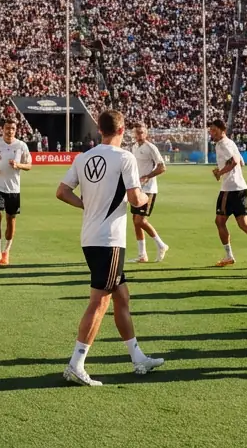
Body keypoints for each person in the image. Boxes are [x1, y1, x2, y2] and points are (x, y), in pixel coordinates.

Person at [54, 109, 164, 386]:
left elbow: (62, 192)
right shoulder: (125, 157)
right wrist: (145, 198)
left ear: (100, 130)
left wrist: (86, 205)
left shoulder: (83, 157)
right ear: (122, 130)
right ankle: (76, 364)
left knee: (121, 297)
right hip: (109, 239)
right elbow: (135, 198)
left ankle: (137, 357)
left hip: (90, 236)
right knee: (100, 301)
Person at [208, 119, 247, 268]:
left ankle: (229, 256)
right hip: (241, 187)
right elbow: (241, 162)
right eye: (211, 131)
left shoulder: (223, 144)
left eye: (214, 130)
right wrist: (225, 170)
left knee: (220, 222)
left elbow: (235, 161)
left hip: (229, 189)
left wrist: (220, 172)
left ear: (222, 130)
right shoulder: (231, 143)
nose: (212, 133)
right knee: (243, 223)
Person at [0, 119, 32, 266]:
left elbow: (29, 165)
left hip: (13, 188)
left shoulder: (21, 145)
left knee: (10, 220)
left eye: (12, 128)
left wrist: (18, 165)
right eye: (7, 128)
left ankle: (6, 252)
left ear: (15, 130)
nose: (9, 131)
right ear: (3, 129)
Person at [128, 123, 169, 263]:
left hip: (148, 189)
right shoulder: (134, 147)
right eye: (137, 132)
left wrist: (147, 176)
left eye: (141, 132)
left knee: (140, 220)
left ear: (146, 134)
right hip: (137, 188)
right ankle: (142, 255)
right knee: (135, 221)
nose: (139, 135)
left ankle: (161, 245)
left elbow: (162, 167)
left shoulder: (151, 147)